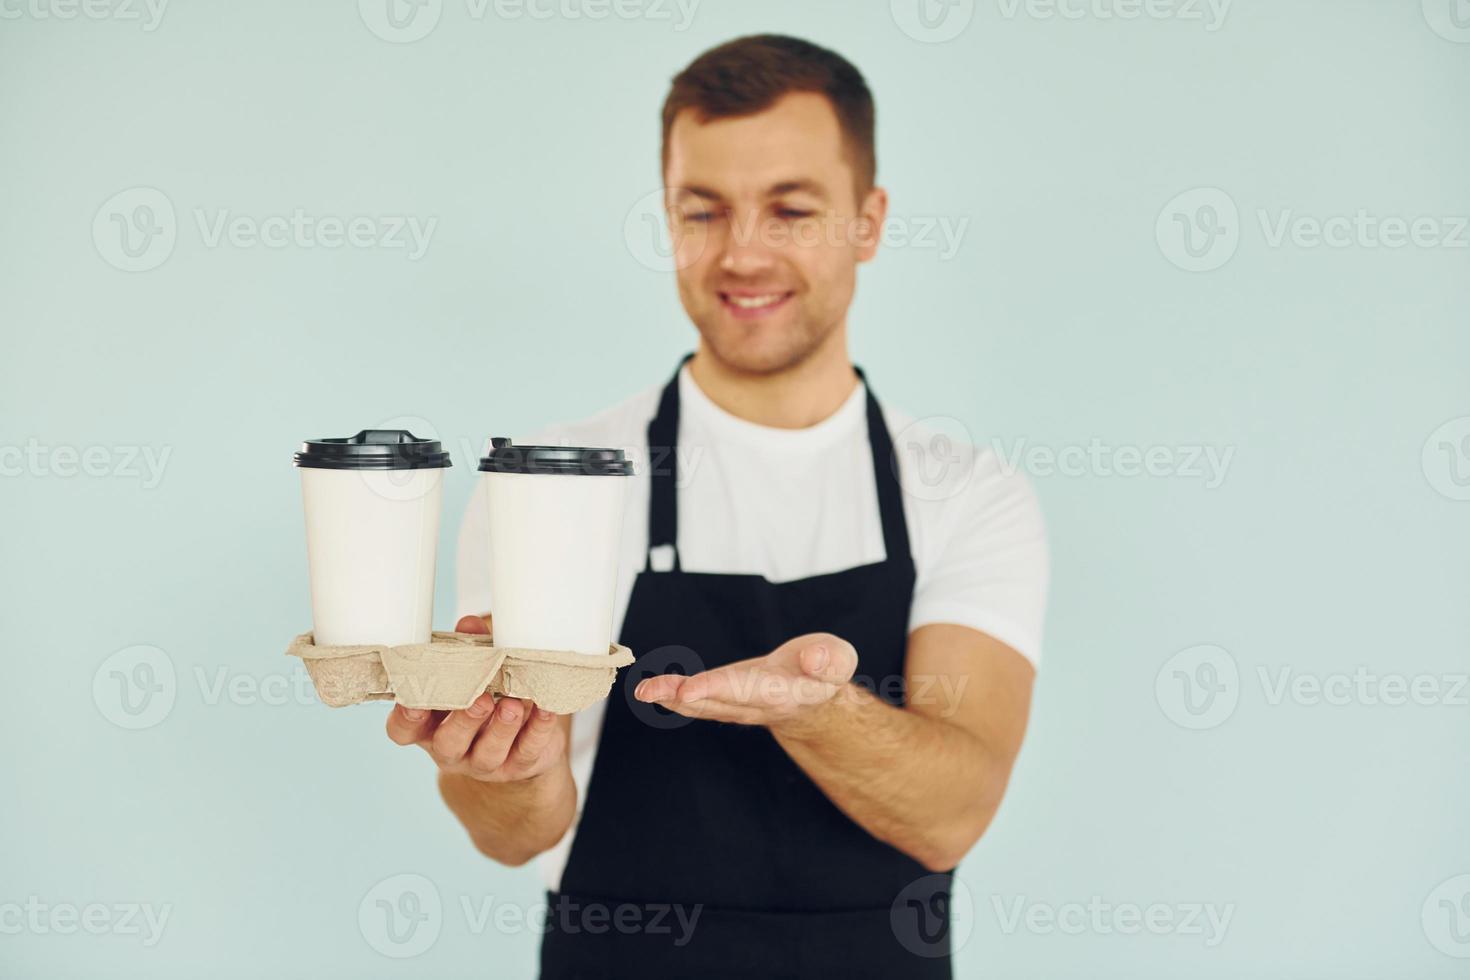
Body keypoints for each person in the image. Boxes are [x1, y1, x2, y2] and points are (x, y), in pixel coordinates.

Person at [385, 33, 1048, 979]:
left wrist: (813, 712)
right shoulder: (552, 485)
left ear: (868, 220)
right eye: (704, 211)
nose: (742, 254)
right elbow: (512, 837)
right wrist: (512, 772)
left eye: (790, 210)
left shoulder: (969, 494)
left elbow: (954, 813)